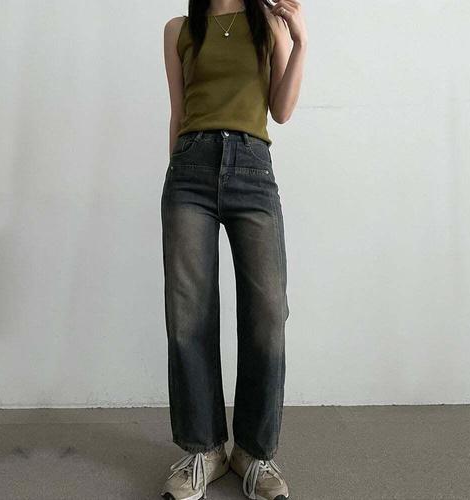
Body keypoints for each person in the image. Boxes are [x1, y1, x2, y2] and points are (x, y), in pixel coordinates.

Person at [160, 1, 307, 498]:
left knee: (267, 312)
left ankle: (253, 452)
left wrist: (300, 42)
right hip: (189, 172)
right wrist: (175, 175)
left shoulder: (269, 25)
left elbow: (281, 111)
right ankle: (203, 449)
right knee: (188, 315)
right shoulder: (179, 30)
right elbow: (178, 112)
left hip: (252, 170)